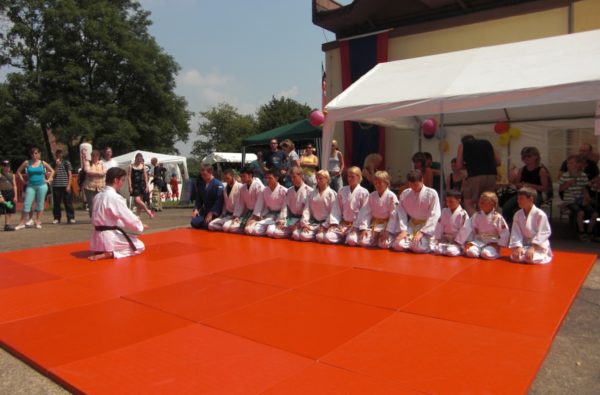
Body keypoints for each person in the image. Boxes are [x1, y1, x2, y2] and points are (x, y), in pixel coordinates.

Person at [88, 167, 147, 261]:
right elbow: (128, 217)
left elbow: (109, 218)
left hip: (96, 240)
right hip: (109, 237)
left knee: (129, 237)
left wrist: (138, 225)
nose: (122, 183)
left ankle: (102, 250)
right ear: (116, 180)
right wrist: (140, 226)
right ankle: (111, 253)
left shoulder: (97, 196)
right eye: (122, 180)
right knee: (139, 246)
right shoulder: (114, 197)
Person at [388, 169, 441, 253]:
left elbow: (435, 214)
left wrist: (422, 232)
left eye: (416, 185)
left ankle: (425, 244)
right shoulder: (405, 194)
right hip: (412, 226)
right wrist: (403, 230)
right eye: (411, 185)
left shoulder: (431, 194)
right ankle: (411, 242)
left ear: (422, 180)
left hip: (426, 227)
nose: (414, 188)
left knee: (417, 247)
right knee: (398, 244)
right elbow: (401, 213)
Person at [347, 170, 397, 248]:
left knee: (384, 244)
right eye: (375, 183)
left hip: (386, 226)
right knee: (363, 241)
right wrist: (364, 228)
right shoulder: (372, 195)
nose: (377, 185)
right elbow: (366, 213)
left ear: (386, 183)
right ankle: (375, 239)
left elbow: (394, 215)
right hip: (375, 225)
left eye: (380, 183)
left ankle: (387, 238)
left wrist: (388, 231)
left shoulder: (391, 196)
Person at [456, 191, 510, 260]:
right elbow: (468, 228)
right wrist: (465, 241)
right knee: (470, 252)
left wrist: (498, 245)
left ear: (492, 204)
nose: (480, 204)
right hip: (479, 241)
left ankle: (495, 253)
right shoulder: (477, 215)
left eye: (483, 202)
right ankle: (480, 250)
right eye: (480, 202)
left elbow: (504, 232)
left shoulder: (497, 217)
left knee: (486, 254)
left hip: (492, 243)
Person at [456, 135, 500, 216]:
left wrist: (469, 166)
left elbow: (458, 165)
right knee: (487, 201)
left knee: (469, 203)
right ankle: (489, 223)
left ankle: (478, 222)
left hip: (474, 176)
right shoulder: (487, 143)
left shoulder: (463, 145)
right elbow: (498, 162)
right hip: (491, 176)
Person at [325, 166, 370, 244]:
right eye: (348, 176)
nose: (349, 179)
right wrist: (334, 223)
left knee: (351, 240)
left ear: (359, 177)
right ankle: (344, 236)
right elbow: (337, 208)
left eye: (352, 177)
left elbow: (365, 212)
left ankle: (348, 237)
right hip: (343, 224)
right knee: (327, 237)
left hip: (356, 226)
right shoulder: (342, 190)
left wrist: (358, 227)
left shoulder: (364, 192)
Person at [509, 187, 553, 264]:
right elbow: (515, 232)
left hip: (538, 245)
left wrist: (533, 247)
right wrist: (518, 247)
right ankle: (524, 251)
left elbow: (544, 232)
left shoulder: (540, 214)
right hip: (524, 244)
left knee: (529, 258)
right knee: (516, 257)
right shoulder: (518, 214)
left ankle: (543, 254)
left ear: (531, 199)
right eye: (518, 199)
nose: (518, 201)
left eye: (521, 199)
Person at [15, 147, 55, 230]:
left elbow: (52, 171)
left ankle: (38, 221)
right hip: (31, 186)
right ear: (31, 155)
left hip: (42, 186)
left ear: (39, 154)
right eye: (32, 153)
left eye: (36, 153)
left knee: (40, 204)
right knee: (26, 204)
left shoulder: (42, 163)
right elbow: (18, 171)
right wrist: (23, 181)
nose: (34, 155)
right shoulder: (27, 162)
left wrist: (48, 180)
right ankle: (22, 223)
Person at [270, 166, 312, 239]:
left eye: (294, 177)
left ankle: (296, 230)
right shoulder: (289, 191)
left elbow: (308, 210)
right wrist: (282, 221)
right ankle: (291, 230)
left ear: (301, 175)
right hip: (291, 219)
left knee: (297, 235)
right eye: (291, 177)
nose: (292, 179)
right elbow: (285, 207)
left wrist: (301, 224)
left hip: (303, 220)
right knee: (276, 233)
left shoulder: (309, 191)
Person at [295, 170, 337, 242]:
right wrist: (305, 223)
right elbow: (307, 209)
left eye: (320, 178)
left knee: (321, 237)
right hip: (314, 223)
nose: (318, 180)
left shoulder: (331, 193)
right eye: (317, 178)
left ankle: (318, 234)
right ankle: (315, 233)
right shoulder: (312, 193)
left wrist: (325, 225)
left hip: (326, 223)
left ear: (327, 179)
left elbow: (333, 212)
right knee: (301, 235)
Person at [223, 166, 264, 234]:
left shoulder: (259, 186)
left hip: (259, 214)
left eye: (244, 176)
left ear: (250, 175)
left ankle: (257, 224)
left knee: (248, 230)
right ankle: (245, 225)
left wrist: (255, 217)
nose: (242, 178)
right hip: (248, 213)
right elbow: (240, 203)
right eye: (241, 176)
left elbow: (260, 203)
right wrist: (237, 216)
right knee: (230, 228)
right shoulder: (242, 188)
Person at [247, 169, 287, 236]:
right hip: (269, 215)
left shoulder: (284, 191)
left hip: (281, 217)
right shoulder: (264, 190)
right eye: (267, 178)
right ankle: (268, 227)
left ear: (276, 178)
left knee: (271, 232)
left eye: (270, 178)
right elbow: (259, 204)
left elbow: (285, 208)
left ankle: (274, 228)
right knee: (252, 230)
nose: (268, 180)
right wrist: (255, 217)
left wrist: (281, 220)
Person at [559, 155, 590, 241]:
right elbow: (560, 189)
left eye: (571, 163)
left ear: (578, 164)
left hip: (580, 199)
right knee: (580, 212)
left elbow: (584, 188)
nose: (569, 165)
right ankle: (581, 232)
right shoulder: (564, 176)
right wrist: (567, 184)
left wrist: (586, 198)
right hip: (570, 200)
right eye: (568, 163)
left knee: (593, 213)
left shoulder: (583, 175)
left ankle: (590, 232)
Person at [432, 190, 469, 256]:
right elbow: (439, 225)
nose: (448, 204)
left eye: (451, 201)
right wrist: (438, 238)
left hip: (456, 241)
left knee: (450, 252)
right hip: (445, 239)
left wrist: (458, 242)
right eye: (447, 201)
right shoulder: (444, 211)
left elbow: (465, 229)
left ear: (459, 201)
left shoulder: (463, 214)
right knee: (437, 250)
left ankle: (459, 249)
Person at [191, 164, 224, 230]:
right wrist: (196, 209)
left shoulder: (218, 184)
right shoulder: (201, 184)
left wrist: (212, 213)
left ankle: (215, 223)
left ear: (210, 172)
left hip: (215, 211)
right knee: (194, 222)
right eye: (202, 175)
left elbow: (219, 201)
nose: (203, 176)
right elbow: (198, 200)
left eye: (205, 174)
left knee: (207, 225)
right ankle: (207, 223)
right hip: (205, 210)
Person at [51, 149, 76, 224]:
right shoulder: (53, 163)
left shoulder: (66, 163)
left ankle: (71, 217)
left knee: (68, 202)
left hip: (65, 185)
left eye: (60, 154)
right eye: (58, 154)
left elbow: (70, 174)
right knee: (56, 203)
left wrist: (69, 185)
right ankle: (57, 218)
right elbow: (53, 175)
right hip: (56, 185)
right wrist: (56, 166)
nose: (59, 156)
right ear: (56, 155)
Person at [81, 149, 106, 219]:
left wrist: (94, 173)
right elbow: (88, 171)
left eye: (96, 155)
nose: (94, 157)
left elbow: (104, 172)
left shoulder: (102, 163)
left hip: (100, 187)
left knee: (100, 203)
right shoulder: (88, 163)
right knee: (91, 204)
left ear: (98, 156)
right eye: (93, 155)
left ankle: (100, 217)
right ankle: (93, 218)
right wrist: (99, 174)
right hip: (89, 187)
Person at [128, 153, 154, 219]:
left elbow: (145, 176)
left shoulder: (143, 166)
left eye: (140, 159)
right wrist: (130, 186)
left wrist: (147, 186)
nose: (139, 160)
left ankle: (138, 217)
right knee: (137, 200)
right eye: (138, 159)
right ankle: (148, 211)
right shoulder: (131, 166)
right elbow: (129, 177)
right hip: (135, 185)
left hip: (142, 185)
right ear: (135, 158)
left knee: (139, 203)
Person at [0, 160, 18, 231]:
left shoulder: (12, 175)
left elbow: (15, 185)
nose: (7, 168)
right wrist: (0, 196)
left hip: (10, 193)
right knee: (0, 210)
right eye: (5, 166)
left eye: (8, 166)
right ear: (2, 167)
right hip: (2, 193)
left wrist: (15, 196)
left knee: (9, 209)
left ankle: (7, 224)